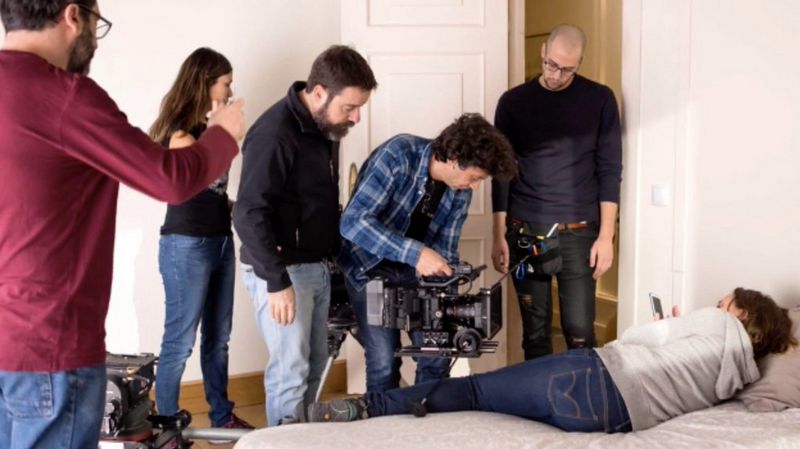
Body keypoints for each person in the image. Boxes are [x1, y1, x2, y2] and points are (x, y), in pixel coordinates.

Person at [0, 1, 245, 448]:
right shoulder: (65, 95)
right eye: (98, 23)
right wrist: (224, 134)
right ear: (73, 16)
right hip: (50, 345)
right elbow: (171, 179)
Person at [308, 288, 797, 432]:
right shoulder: (742, 378)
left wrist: (673, 323)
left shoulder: (714, 324)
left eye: (723, 301)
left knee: (475, 391)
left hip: (593, 375)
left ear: (740, 312)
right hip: (607, 418)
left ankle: (368, 409)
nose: (716, 304)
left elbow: (634, 335)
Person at [233, 45, 377, 426]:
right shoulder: (274, 134)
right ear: (318, 93)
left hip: (314, 267)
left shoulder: (325, 126)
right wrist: (276, 282)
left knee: (314, 370)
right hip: (283, 273)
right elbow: (248, 213)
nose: (357, 117)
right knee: (291, 373)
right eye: (349, 107)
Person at [338, 113, 517, 393]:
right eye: (474, 177)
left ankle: (423, 427)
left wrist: (449, 299)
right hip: (367, 268)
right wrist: (416, 254)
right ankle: (381, 431)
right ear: (455, 158)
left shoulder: (460, 193)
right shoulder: (398, 156)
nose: (474, 187)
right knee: (384, 361)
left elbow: (446, 249)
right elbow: (352, 222)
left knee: (438, 352)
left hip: (414, 274)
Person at [491, 24, 623, 359]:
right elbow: (501, 174)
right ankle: (536, 408)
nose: (556, 75)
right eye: (551, 64)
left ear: (579, 63)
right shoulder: (513, 102)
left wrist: (606, 236)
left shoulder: (600, 99)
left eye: (567, 69)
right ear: (543, 52)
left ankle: (581, 406)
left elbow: (610, 170)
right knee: (535, 336)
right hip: (525, 231)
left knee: (580, 333)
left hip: (579, 233)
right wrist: (498, 235)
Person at [148, 48, 253, 434]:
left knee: (218, 339)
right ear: (206, 84)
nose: (229, 91)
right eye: (224, 83)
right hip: (186, 246)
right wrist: (220, 131)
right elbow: (190, 181)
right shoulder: (179, 133)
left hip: (221, 242)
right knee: (179, 342)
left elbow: (213, 193)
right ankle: (166, 426)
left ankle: (222, 416)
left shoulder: (211, 131)